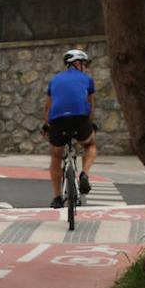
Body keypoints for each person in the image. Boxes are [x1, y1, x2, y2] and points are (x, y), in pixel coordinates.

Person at [44, 48, 97, 208]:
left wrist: (47, 126)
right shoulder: (87, 79)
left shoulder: (54, 80)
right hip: (80, 119)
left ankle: (57, 198)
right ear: (77, 64)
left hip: (58, 121)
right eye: (84, 64)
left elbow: (48, 107)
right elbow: (90, 105)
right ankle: (84, 174)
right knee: (90, 144)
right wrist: (90, 124)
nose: (86, 68)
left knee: (55, 156)